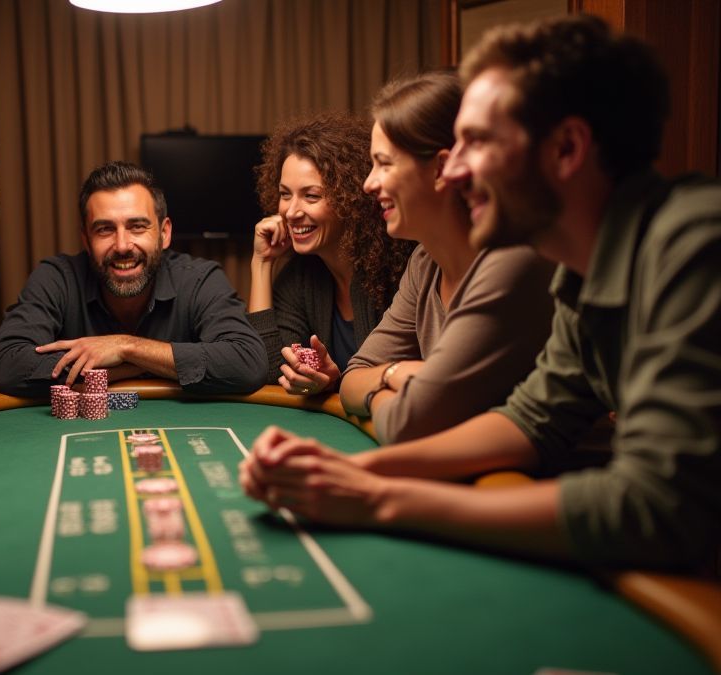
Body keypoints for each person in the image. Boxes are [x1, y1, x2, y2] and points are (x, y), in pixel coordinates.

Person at [240, 15, 721, 573]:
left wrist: (379, 498)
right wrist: (354, 471)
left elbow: (656, 508)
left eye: (475, 142)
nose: (454, 170)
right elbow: (530, 419)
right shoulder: (582, 270)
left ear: (566, 149)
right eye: (107, 228)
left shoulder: (693, 243)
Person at [339, 72, 555, 443]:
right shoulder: (425, 261)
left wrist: (387, 384)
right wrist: (398, 374)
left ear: (441, 169)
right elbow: (353, 376)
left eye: (384, 163)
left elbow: (409, 423)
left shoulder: (512, 262)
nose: (369, 183)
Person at [0, 161, 266, 397]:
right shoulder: (57, 278)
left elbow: (247, 362)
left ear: (164, 233)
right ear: (85, 238)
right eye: (105, 229)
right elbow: (5, 365)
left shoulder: (200, 279)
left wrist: (125, 346)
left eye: (137, 226)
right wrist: (138, 366)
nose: (122, 245)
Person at [246, 113, 413, 395]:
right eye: (285, 194)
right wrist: (261, 263)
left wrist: (337, 383)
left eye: (311, 196)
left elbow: (402, 376)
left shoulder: (396, 269)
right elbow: (268, 369)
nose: (292, 211)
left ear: (351, 198)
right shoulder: (299, 277)